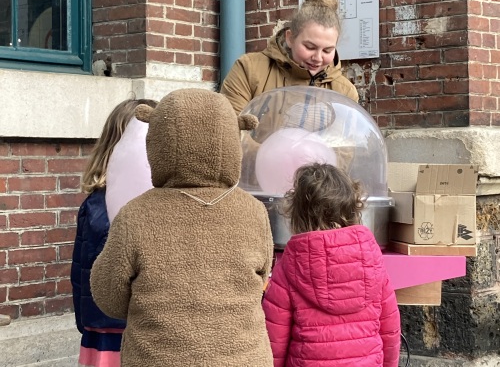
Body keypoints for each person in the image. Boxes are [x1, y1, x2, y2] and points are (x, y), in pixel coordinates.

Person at [90, 89, 275, 367]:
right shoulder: (254, 211)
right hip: (244, 357)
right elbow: (262, 279)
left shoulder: (136, 215)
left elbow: (109, 297)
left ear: (158, 140)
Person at [262, 162, 401, 367]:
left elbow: (274, 341)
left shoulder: (290, 266)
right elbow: (389, 331)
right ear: (353, 208)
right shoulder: (372, 261)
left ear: (297, 214)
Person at [71, 97, 157, 367]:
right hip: (136, 327)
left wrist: (84, 321)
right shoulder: (102, 209)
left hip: (100, 325)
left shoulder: (93, 205)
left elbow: (79, 275)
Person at [220, 0, 359, 116]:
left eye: (327, 50)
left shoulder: (345, 92)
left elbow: (346, 139)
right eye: (310, 47)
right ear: (290, 38)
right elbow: (229, 130)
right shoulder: (249, 69)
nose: (318, 57)